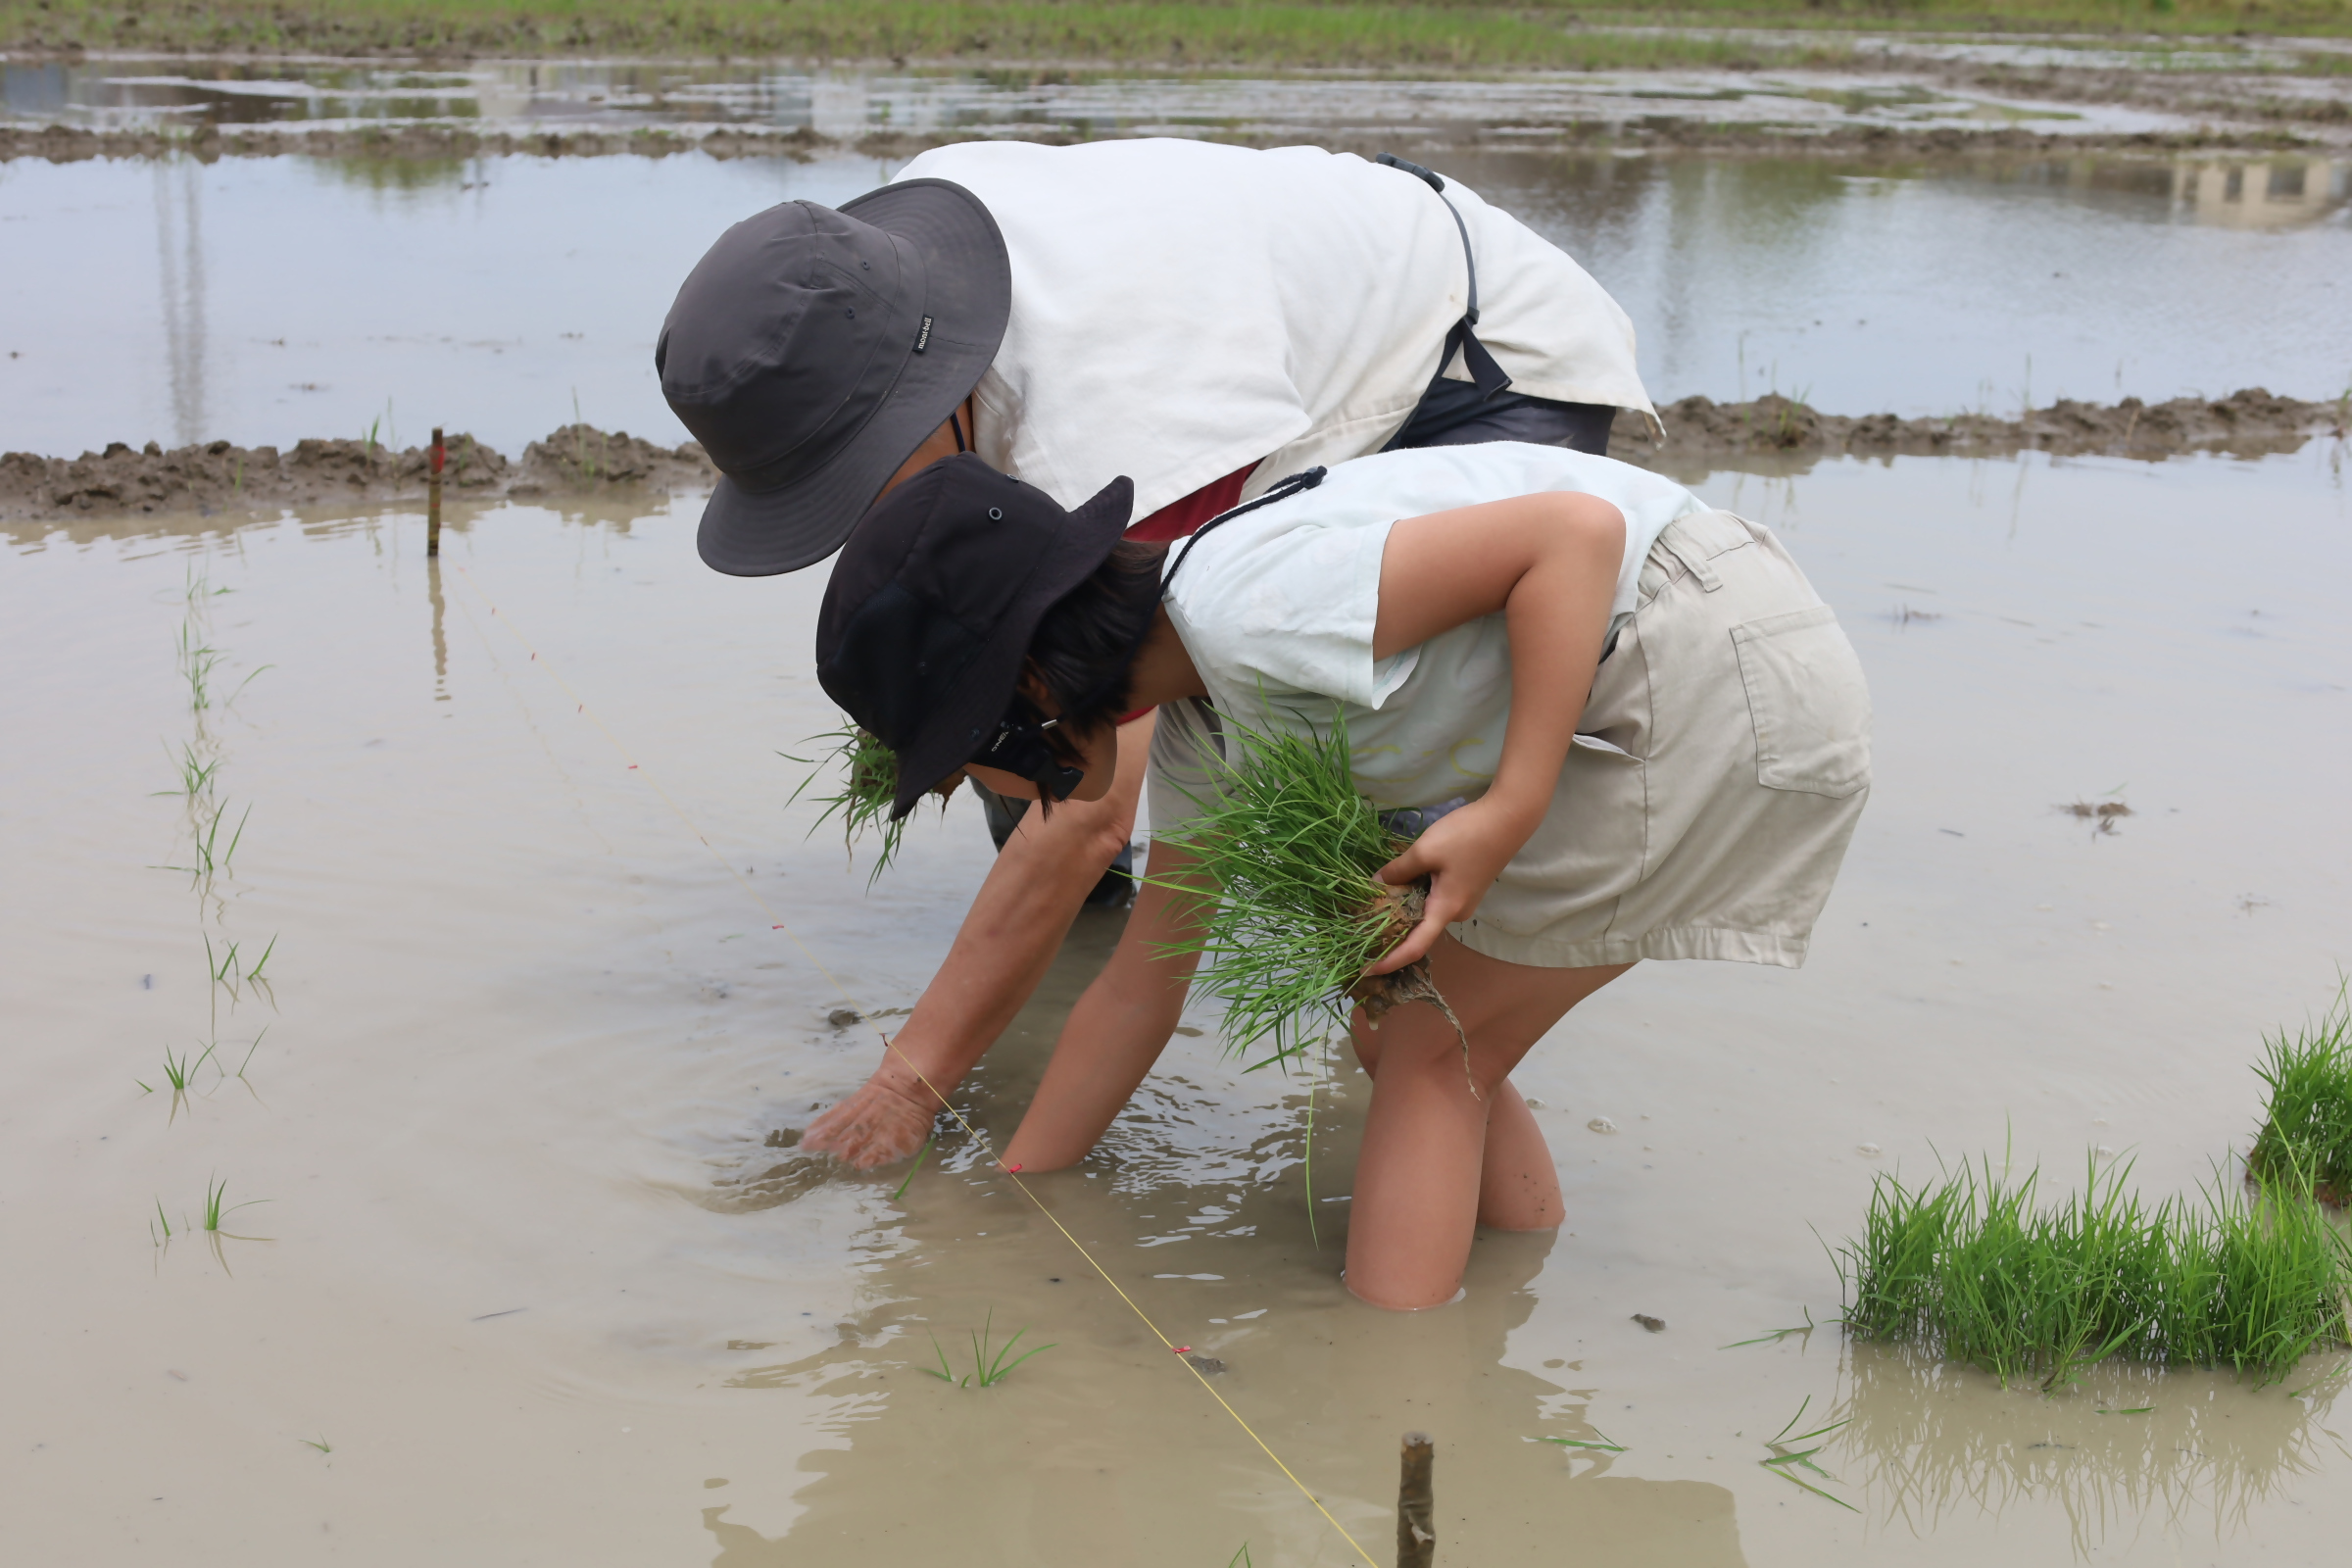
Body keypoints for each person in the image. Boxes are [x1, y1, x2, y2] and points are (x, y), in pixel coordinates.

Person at [658, 137, 1659, 1170]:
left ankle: (1427, 1066)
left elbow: (1090, 802)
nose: (860, 511)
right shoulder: (885, 274)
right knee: (1015, 701)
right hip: (1275, 331)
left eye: (856, 474)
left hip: (1470, 366)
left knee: (1371, 850)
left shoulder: (1126, 434)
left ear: (925, 392)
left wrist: (910, 1080)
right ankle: (1208, 992)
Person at [811, 443, 1870, 1309]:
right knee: (1408, 1028)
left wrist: (1511, 808)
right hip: (1682, 664)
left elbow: (1573, 537)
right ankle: (1512, 1278)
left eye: (963, 758)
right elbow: (1143, 980)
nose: (982, 788)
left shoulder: (1248, 607)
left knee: (1430, 1047)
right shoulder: (1200, 718)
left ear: (1029, 687)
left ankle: (1392, 1393)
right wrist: (1014, 1198)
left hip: (1712, 661)